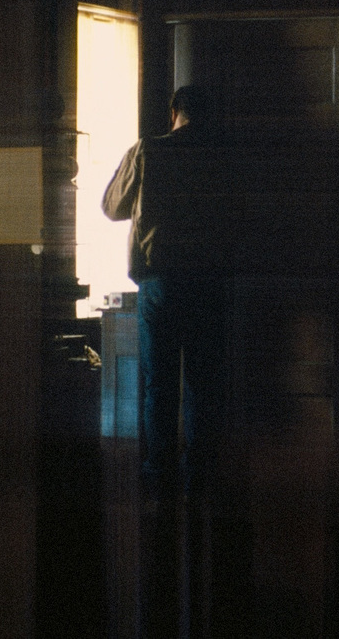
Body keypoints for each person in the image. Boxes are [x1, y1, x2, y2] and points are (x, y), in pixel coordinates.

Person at [102, 85, 232, 495]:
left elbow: (112, 207)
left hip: (161, 281)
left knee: (158, 381)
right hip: (209, 280)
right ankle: (200, 475)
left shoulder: (148, 151)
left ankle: (158, 473)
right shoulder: (222, 157)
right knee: (201, 382)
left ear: (173, 111)